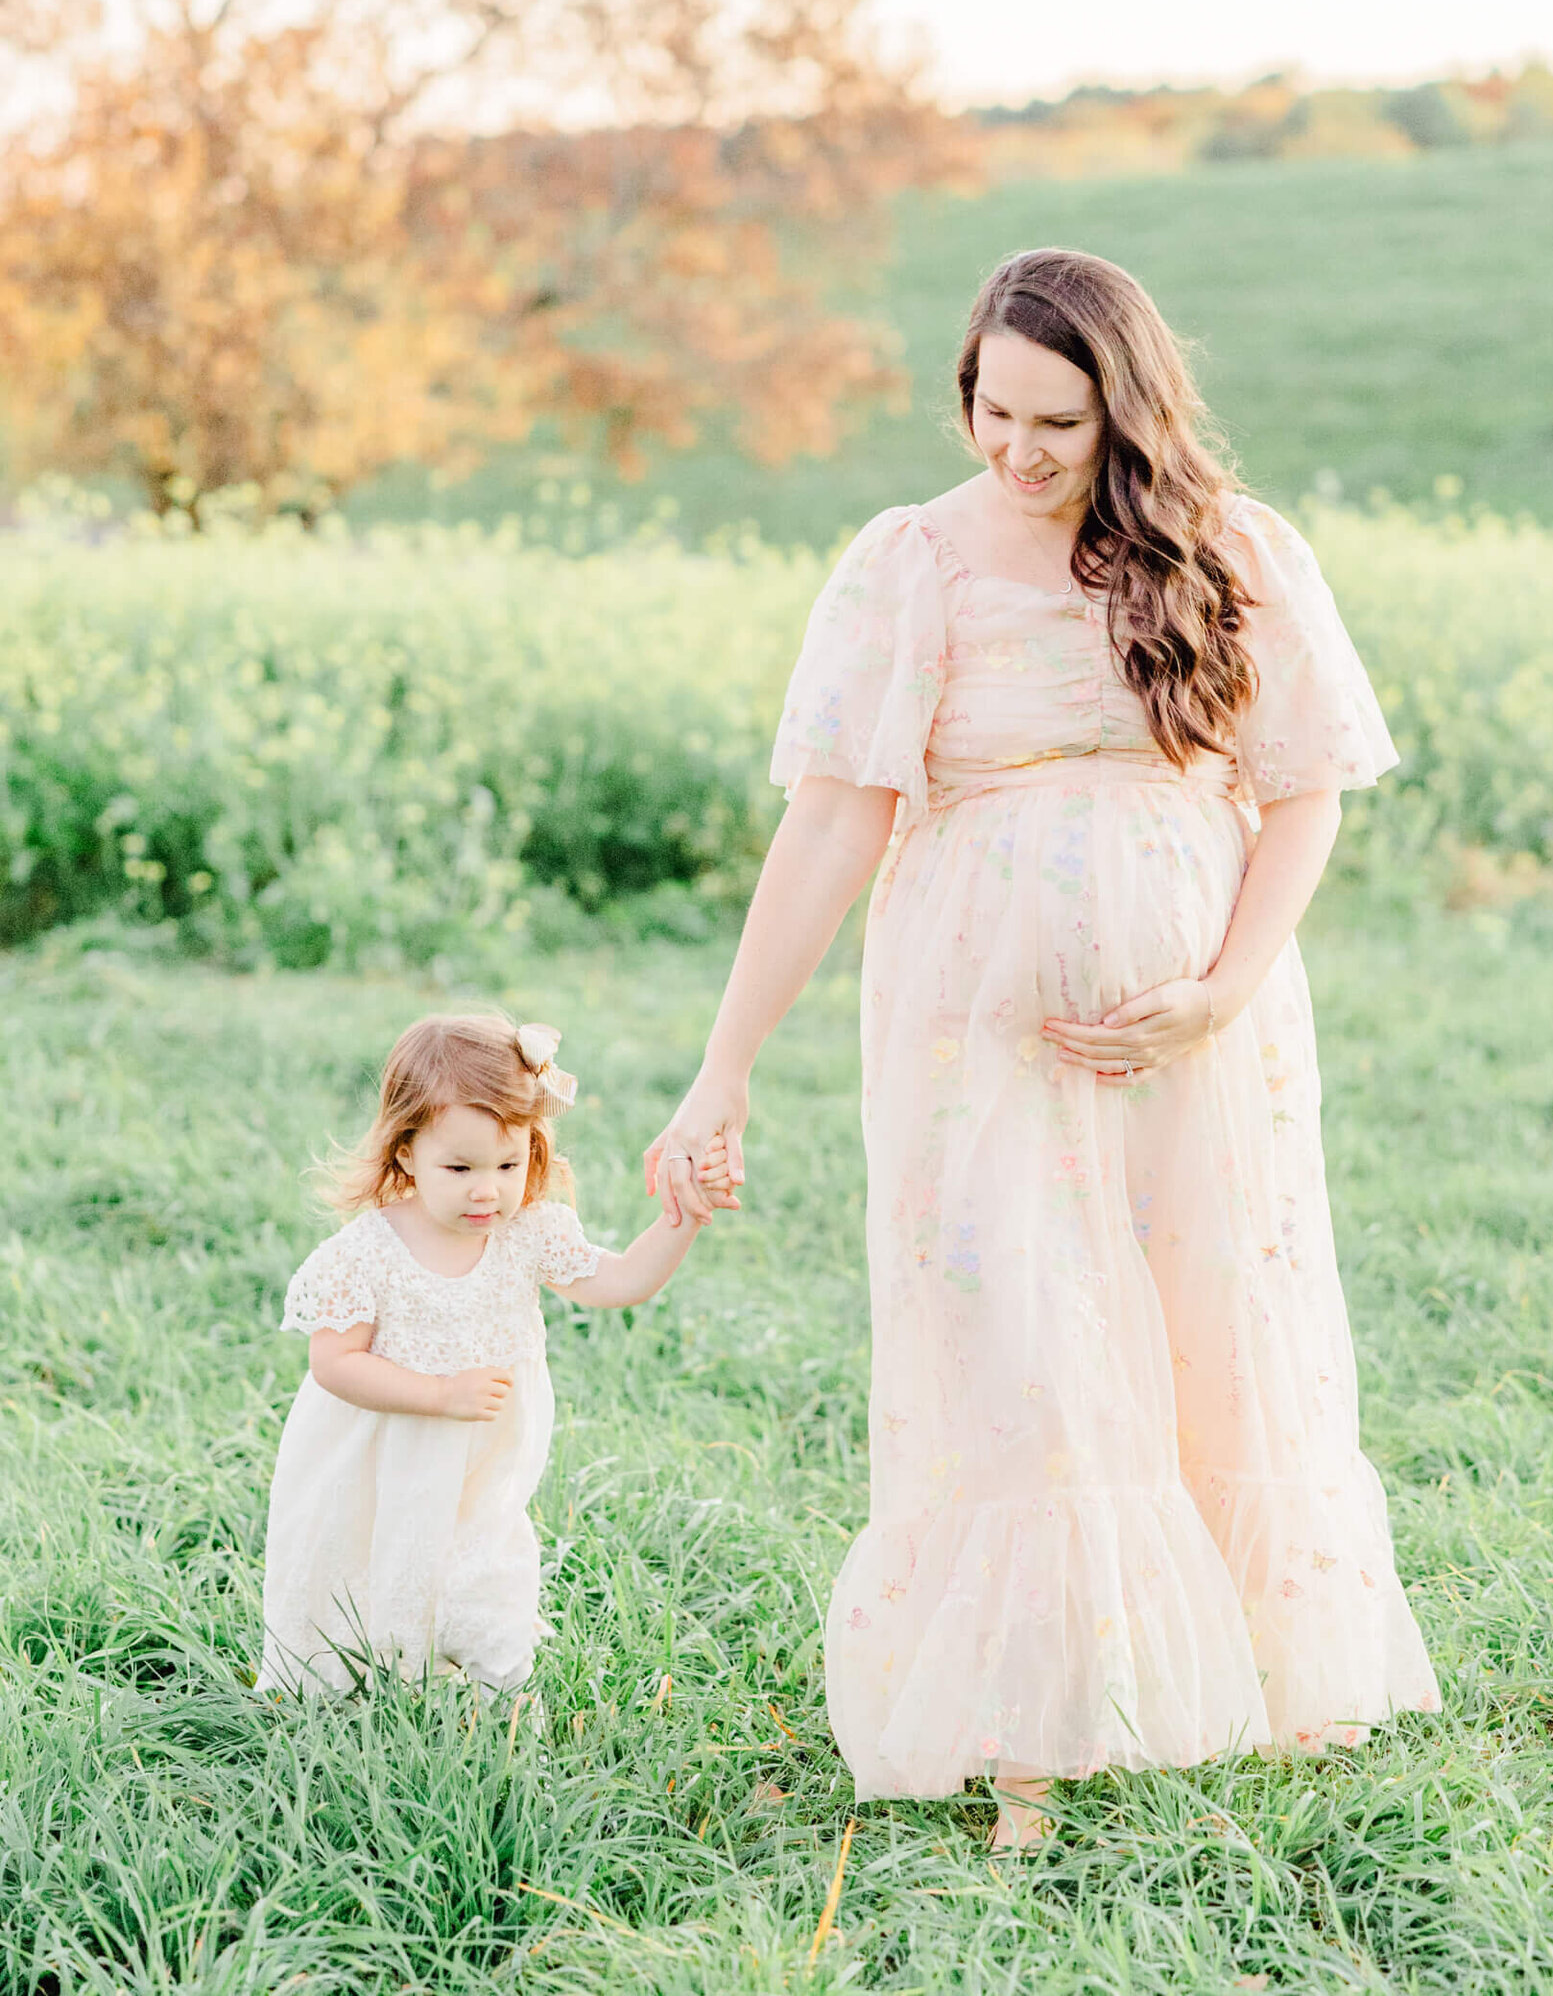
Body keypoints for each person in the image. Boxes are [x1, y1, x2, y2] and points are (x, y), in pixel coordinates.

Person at [646, 248, 1440, 1849]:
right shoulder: (912, 563)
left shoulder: (1232, 549)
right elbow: (831, 823)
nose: (1013, 450)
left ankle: (1274, 1671)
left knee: (1218, 1304)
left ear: (1125, 412)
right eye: (989, 410)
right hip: (971, 1023)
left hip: (1205, 1020)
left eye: (1055, 423)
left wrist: (1222, 985)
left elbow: (1301, 792)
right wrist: (723, 1063)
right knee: (1016, 1324)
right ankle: (1033, 1730)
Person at [258, 1010, 734, 1695]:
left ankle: (502, 1711)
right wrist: (440, 1394)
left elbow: (621, 1280)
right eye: (460, 1167)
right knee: (371, 1587)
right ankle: (378, 1689)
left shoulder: (525, 1233)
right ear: (405, 1154)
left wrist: (682, 1218)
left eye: (509, 1164)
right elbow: (334, 1364)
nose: (488, 1189)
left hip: (482, 1472)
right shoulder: (368, 1253)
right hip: (383, 1465)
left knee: (488, 1587)